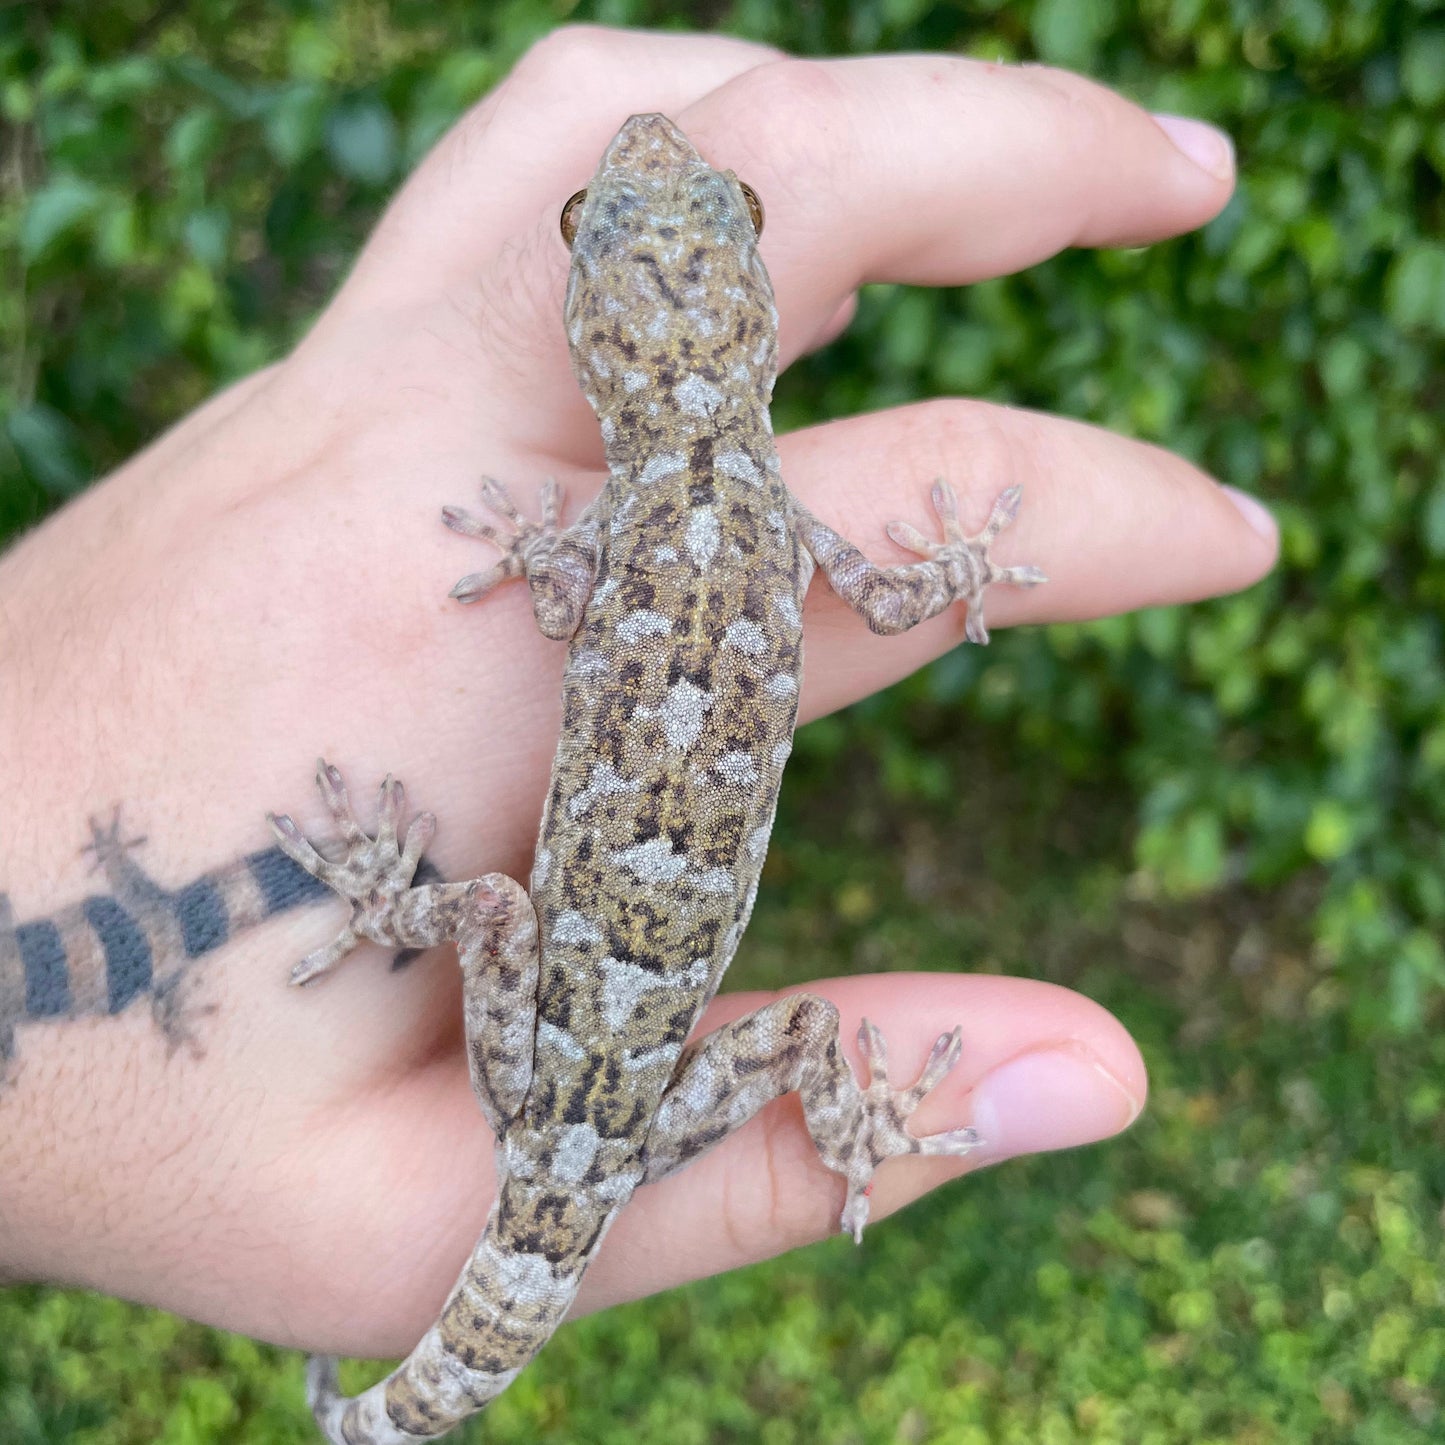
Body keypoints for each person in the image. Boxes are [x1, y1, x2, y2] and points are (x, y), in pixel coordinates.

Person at [0, 27, 1273, 1363]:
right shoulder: (771, 522)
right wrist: (958, 559)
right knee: (500, 914)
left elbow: (558, 610)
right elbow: (899, 602)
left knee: (563, 936)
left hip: (568, 1082)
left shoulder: (613, 525)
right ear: (756, 314)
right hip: (602, 1096)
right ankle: (822, 1140)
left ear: (592, 344)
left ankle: (409, 977)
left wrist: (540, 560)